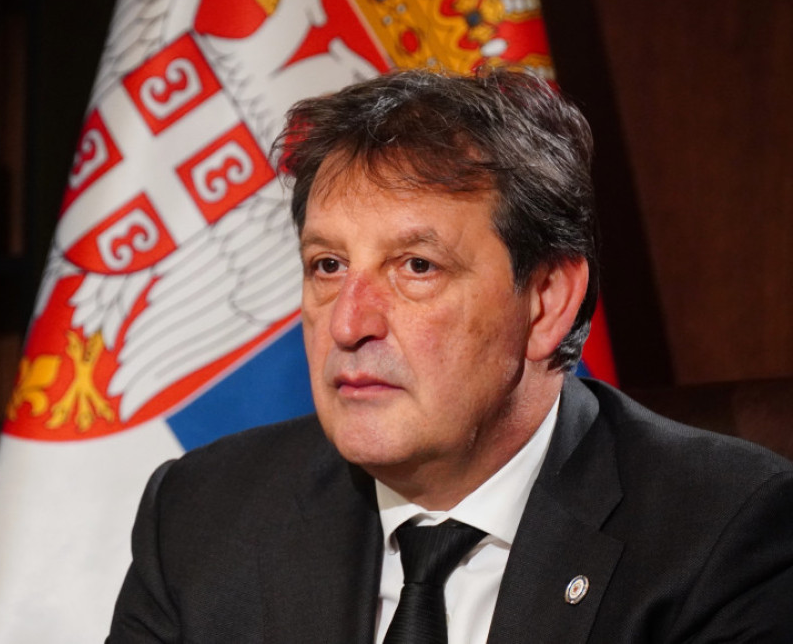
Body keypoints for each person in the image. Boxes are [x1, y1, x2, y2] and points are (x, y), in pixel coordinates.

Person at [107, 69, 793, 643]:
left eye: (417, 266)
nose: (348, 324)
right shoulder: (200, 517)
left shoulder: (723, 535)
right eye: (328, 265)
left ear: (547, 301)